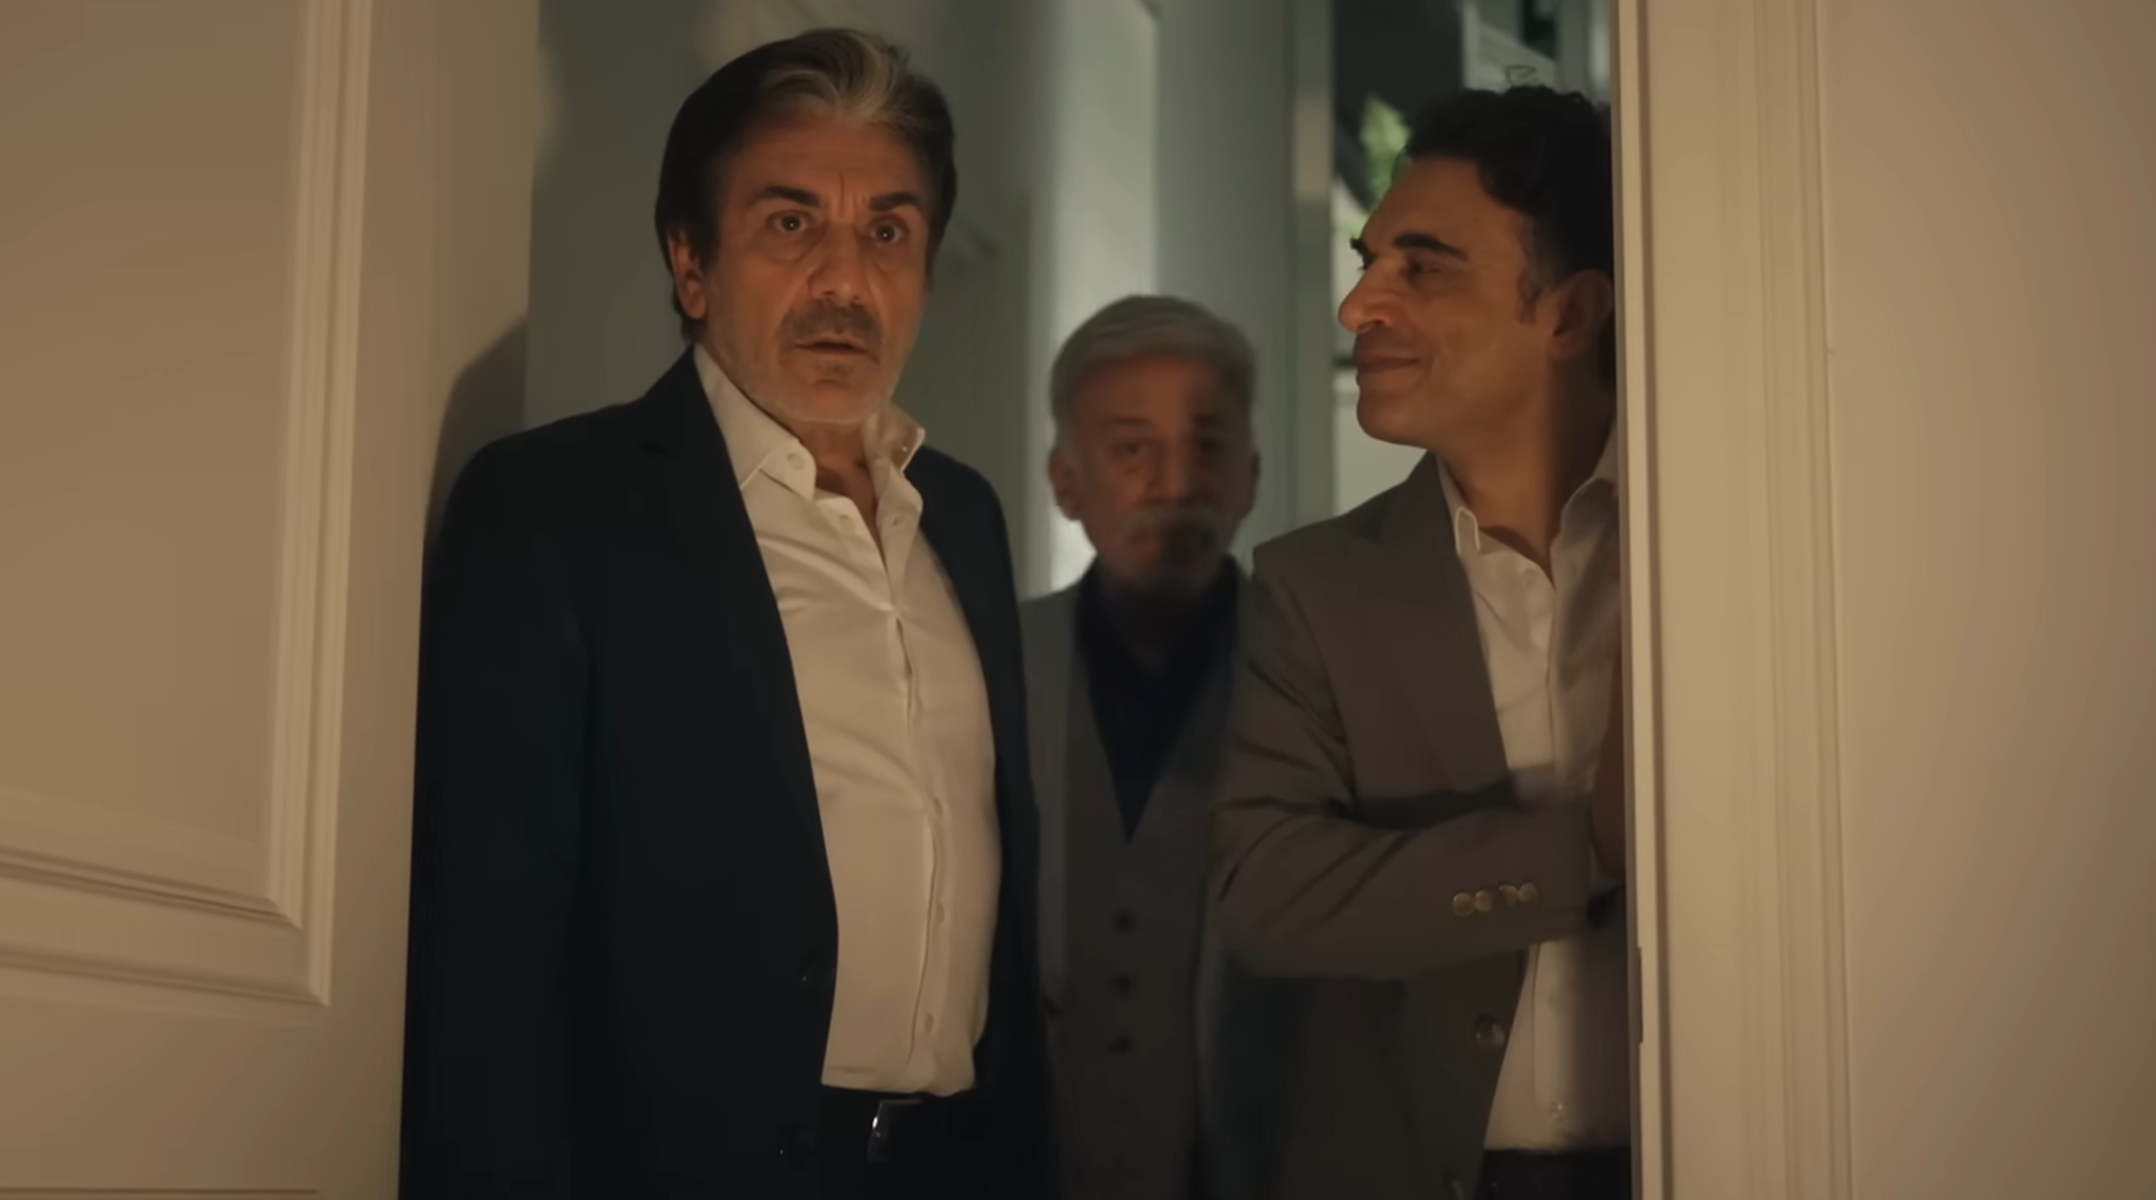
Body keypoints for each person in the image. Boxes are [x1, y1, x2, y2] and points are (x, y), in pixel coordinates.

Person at [400, 29, 1051, 1200]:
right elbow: (487, 958)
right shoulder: (557, 508)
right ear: (691, 262)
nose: (845, 282)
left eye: (887, 233)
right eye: (790, 223)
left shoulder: (963, 515)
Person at [1210, 87, 1627, 1200]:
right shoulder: (1312, 587)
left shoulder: (1726, 560)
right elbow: (1265, 895)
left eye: (1422, 267)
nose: (1357, 305)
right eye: (1367, 263)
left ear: (1570, 316)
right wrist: (1582, 848)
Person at [1021, 297, 1300, 1200]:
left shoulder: (1324, 672)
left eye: (1208, 447)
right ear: (1066, 482)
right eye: (1133, 449)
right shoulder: (987, 665)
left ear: (1249, 476)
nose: (1177, 486)